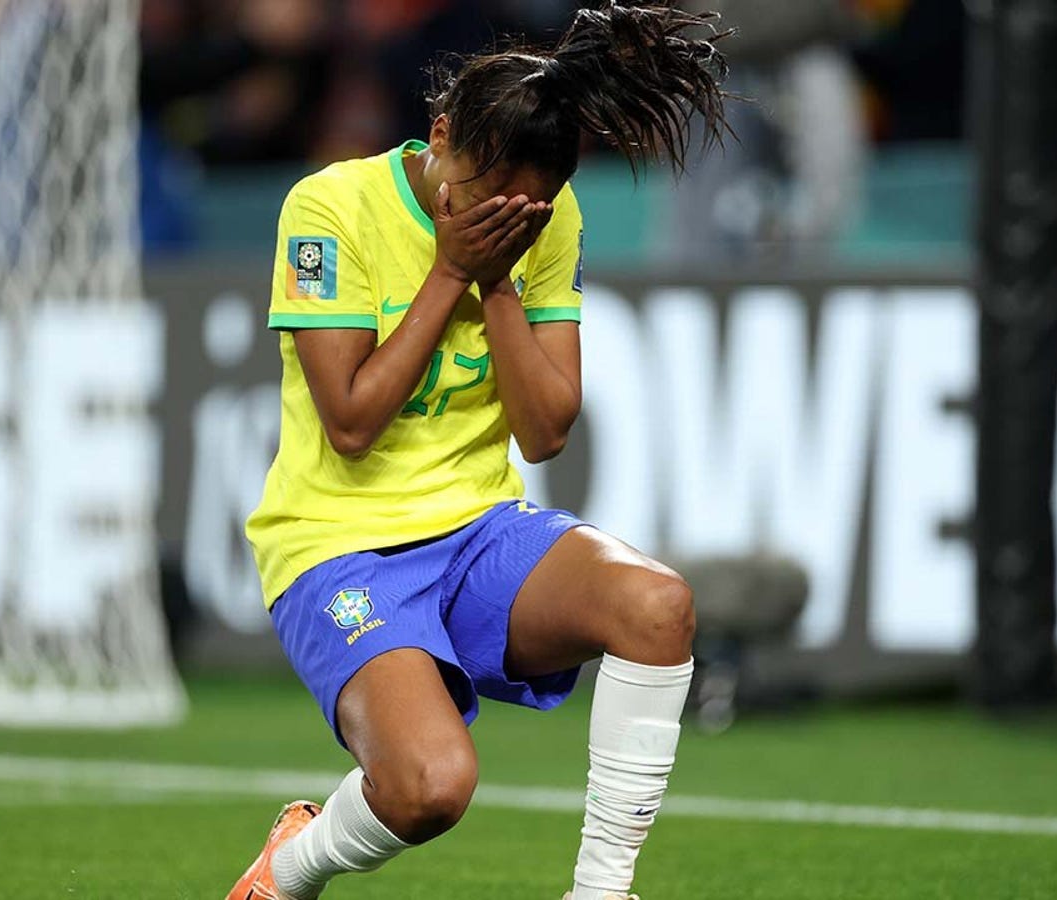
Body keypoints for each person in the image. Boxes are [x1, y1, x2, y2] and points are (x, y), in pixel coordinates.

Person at [227, 4, 730, 899]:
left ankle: (602, 893)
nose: (503, 216)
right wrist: (451, 270)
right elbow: (349, 423)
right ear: (440, 134)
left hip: (476, 530)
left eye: (526, 209)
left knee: (658, 609)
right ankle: (288, 868)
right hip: (336, 545)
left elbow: (545, 430)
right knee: (429, 790)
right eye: (482, 191)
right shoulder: (328, 206)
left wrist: (498, 277)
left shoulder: (545, 220)